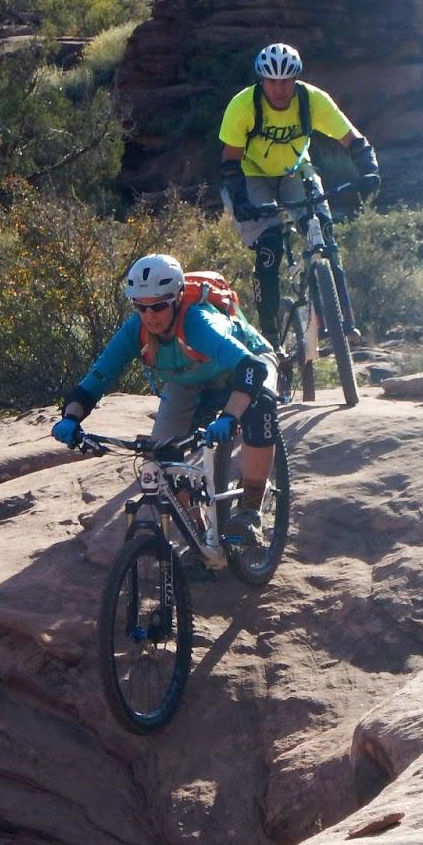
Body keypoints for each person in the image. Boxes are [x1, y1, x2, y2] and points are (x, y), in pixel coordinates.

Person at [51, 253, 280, 544]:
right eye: (140, 307)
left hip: (247, 364)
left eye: (158, 306)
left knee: (261, 407)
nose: (150, 316)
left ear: (176, 298)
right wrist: (71, 417)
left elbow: (252, 369)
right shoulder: (136, 329)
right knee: (161, 460)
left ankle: (250, 510)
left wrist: (231, 416)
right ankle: (199, 537)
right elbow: (96, 380)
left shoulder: (198, 322)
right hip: (188, 382)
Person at [217, 42, 380, 345]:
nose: (279, 89)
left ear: (296, 79)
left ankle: (344, 321)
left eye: (286, 81)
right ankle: (268, 333)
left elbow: (353, 139)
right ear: (261, 80)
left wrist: (369, 169)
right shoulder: (243, 107)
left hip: (295, 171)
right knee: (269, 246)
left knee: (324, 234)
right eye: (272, 81)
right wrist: (240, 201)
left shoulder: (312, 100)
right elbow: (230, 162)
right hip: (252, 175)